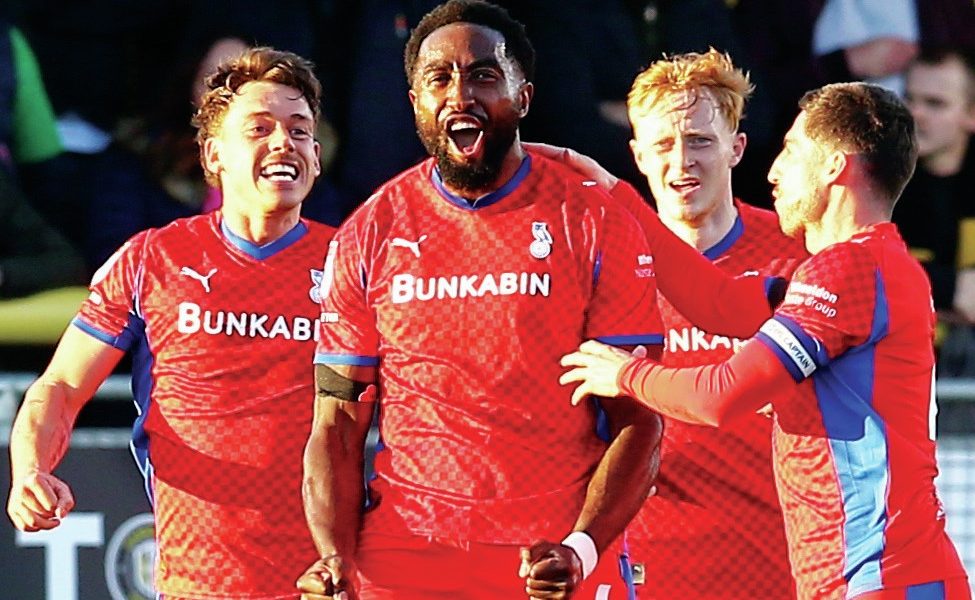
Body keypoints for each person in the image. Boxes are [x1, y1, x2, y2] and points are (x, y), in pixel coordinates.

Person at [296, 2, 787, 599]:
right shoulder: (370, 230)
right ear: (414, 103)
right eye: (439, 78)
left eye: (483, 74)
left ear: (523, 97)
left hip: (553, 557)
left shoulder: (592, 217)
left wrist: (581, 547)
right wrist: (333, 556)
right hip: (407, 554)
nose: (460, 92)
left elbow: (640, 418)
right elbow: (339, 421)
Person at [561, 81, 973, 599]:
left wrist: (624, 374)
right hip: (866, 577)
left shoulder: (851, 268)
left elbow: (721, 396)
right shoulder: (867, 268)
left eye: (792, 151)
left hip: (883, 576)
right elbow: (719, 302)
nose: (774, 171)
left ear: (832, 167)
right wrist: (617, 193)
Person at [6, 46, 332, 599]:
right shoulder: (151, 261)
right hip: (196, 584)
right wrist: (31, 470)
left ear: (317, 158)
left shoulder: (354, 266)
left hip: (331, 583)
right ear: (213, 155)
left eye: (299, 130)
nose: (283, 142)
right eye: (259, 128)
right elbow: (59, 386)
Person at [622, 48, 806, 599]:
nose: (682, 163)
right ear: (636, 156)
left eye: (700, 140)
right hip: (647, 565)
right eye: (663, 144)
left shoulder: (798, 257)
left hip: (778, 559)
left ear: (736, 148)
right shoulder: (606, 265)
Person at [895, 48, 975, 337]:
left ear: (971, 114)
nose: (915, 114)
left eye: (935, 104)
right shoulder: (876, 179)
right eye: (909, 98)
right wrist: (953, 288)